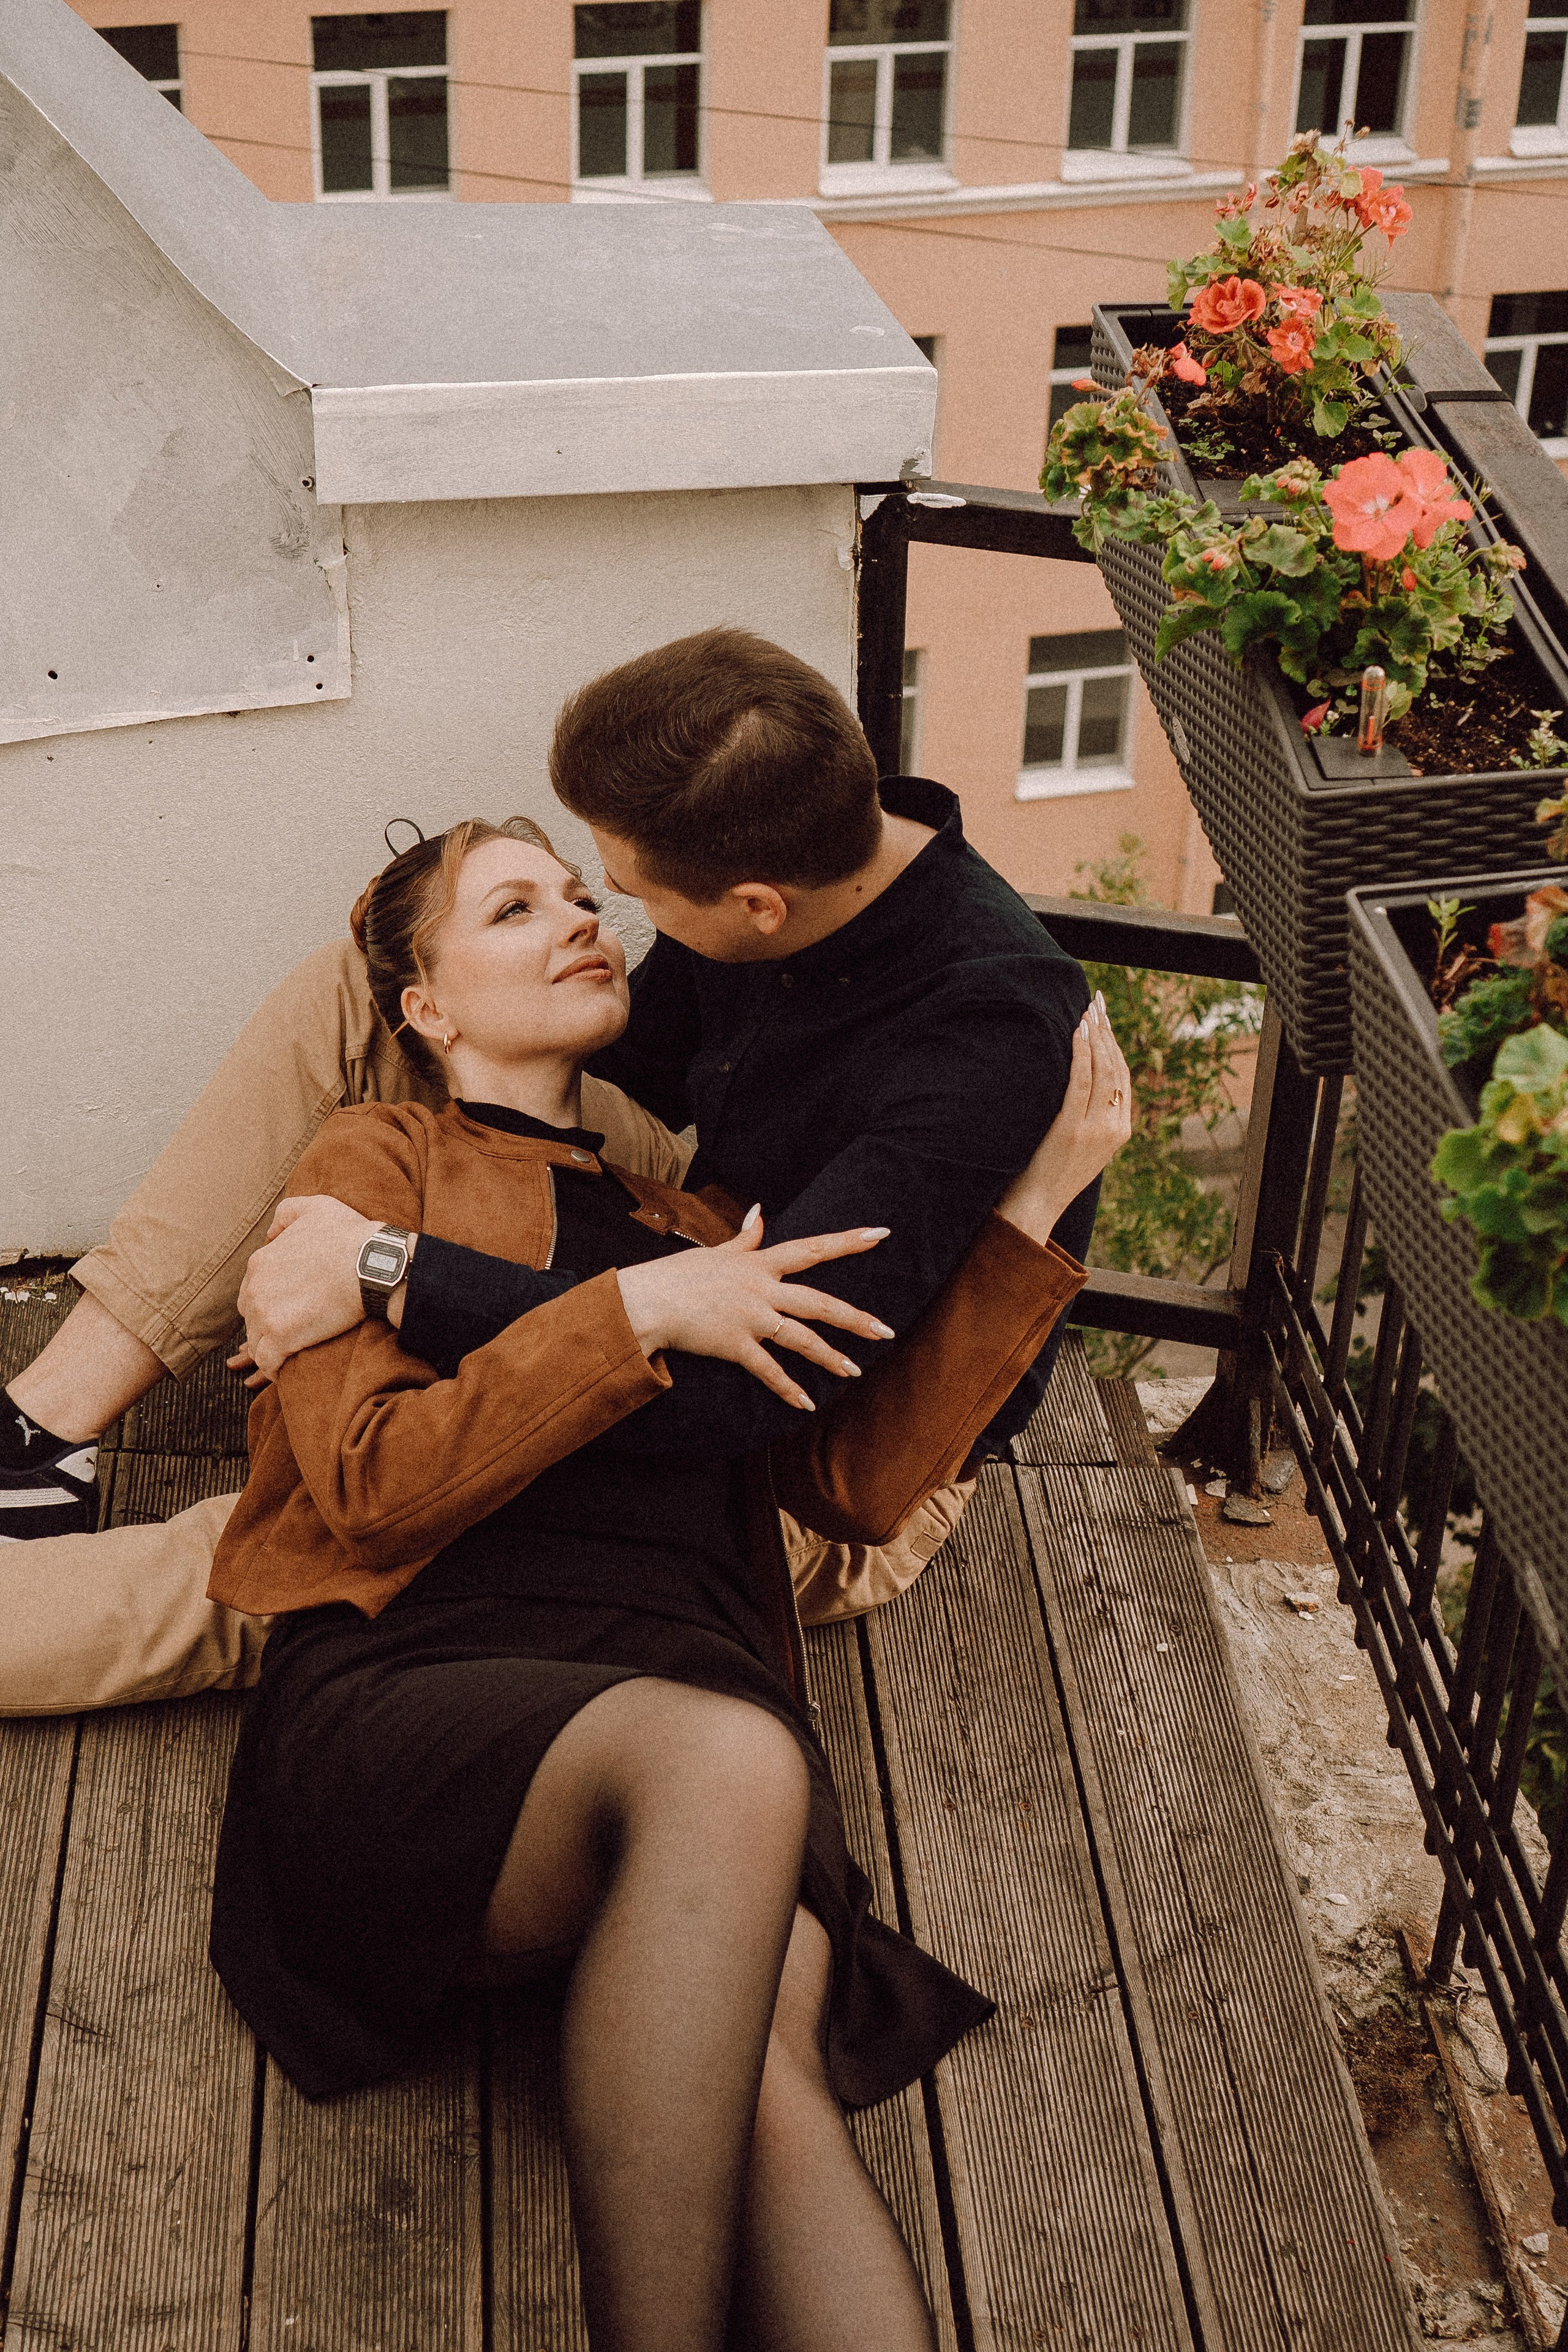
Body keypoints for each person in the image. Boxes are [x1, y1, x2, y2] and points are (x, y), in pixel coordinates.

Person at [205, 810, 1131, 2352]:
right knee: (728, 1761)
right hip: (429, 1695)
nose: (576, 919)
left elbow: (845, 1481)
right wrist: (638, 1314)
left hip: (686, 1705)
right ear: (424, 1008)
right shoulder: (375, 1169)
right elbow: (369, 1483)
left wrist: (1031, 1215)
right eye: (513, 909)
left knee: (765, 2061)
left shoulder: (700, 1227)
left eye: (578, 896)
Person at [0, 628, 1091, 1711]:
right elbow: (630, 1062)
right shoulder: (795, 827)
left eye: (625, 896)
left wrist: (390, 1268)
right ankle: (41, 1424)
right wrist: (447, 982)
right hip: (682, 1234)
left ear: (760, 907)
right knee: (365, 986)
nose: (607, 916)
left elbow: (738, 1398)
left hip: (798, 1426)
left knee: (316, 1539)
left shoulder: (978, 1040)